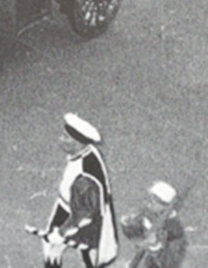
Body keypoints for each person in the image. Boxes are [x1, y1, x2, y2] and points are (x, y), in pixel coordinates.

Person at [36, 113, 118, 268]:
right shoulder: (84, 152)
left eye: (66, 137)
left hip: (86, 218)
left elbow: (84, 213)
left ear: (78, 142)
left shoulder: (85, 179)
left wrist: (61, 233)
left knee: (89, 255)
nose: (61, 139)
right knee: (50, 247)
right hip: (68, 206)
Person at [120, 181, 187, 268]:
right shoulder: (149, 213)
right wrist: (127, 224)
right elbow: (134, 230)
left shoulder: (175, 231)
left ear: (164, 205)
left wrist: (155, 246)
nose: (148, 203)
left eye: (152, 201)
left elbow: (169, 264)